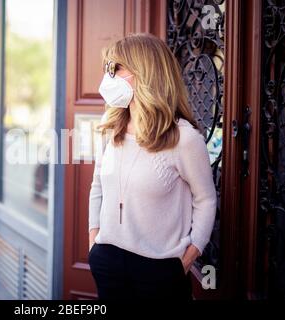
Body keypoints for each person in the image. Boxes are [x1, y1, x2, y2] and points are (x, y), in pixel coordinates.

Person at [88, 33, 217, 300]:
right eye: (107, 68)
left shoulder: (185, 139)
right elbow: (97, 186)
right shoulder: (110, 127)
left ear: (144, 71)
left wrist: (189, 255)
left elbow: (205, 199)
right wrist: (94, 242)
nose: (107, 76)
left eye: (115, 68)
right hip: (108, 262)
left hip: (160, 272)